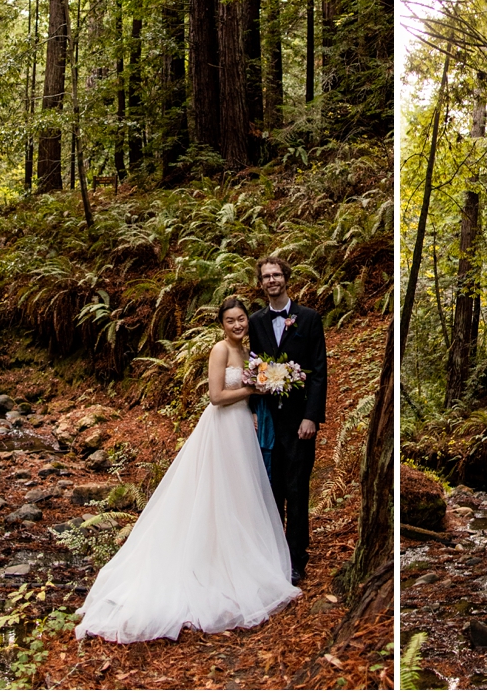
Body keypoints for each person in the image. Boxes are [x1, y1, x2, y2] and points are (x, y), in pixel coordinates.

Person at [74, 297, 300, 643]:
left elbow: (245, 394)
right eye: (230, 320)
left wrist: (259, 394)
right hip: (222, 426)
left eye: (241, 319)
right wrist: (252, 388)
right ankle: (207, 564)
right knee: (215, 490)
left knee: (239, 494)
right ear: (221, 324)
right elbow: (215, 396)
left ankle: (236, 558)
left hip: (242, 426)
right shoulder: (220, 350)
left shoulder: (249, 352)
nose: (238, 325)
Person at [248, 256, 328, 586]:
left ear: (286, 278)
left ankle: (297, 560)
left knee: (296, 491)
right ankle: (272, 556)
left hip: (299, 423)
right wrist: (253, 409)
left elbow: (319, 372)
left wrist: (311, 417)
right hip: (268, 420)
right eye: (266, 276)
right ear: (261, 283)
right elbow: (254, 368)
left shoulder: (309, 318)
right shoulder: (255, 322)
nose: (271, 280)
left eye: (276, 275)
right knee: (272, 490)